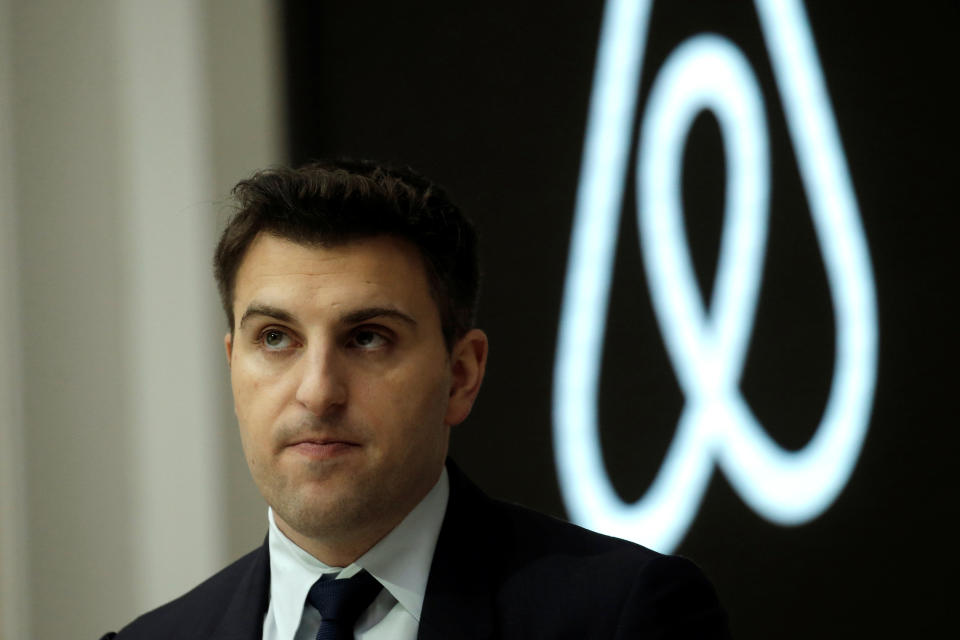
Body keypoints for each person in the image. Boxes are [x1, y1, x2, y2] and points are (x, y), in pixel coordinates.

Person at [101, 160, 730, 639]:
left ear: (460, 375)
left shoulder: (626, 617)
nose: (317, 391)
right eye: (276, 338)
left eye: (368, 338)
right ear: (233, 363)